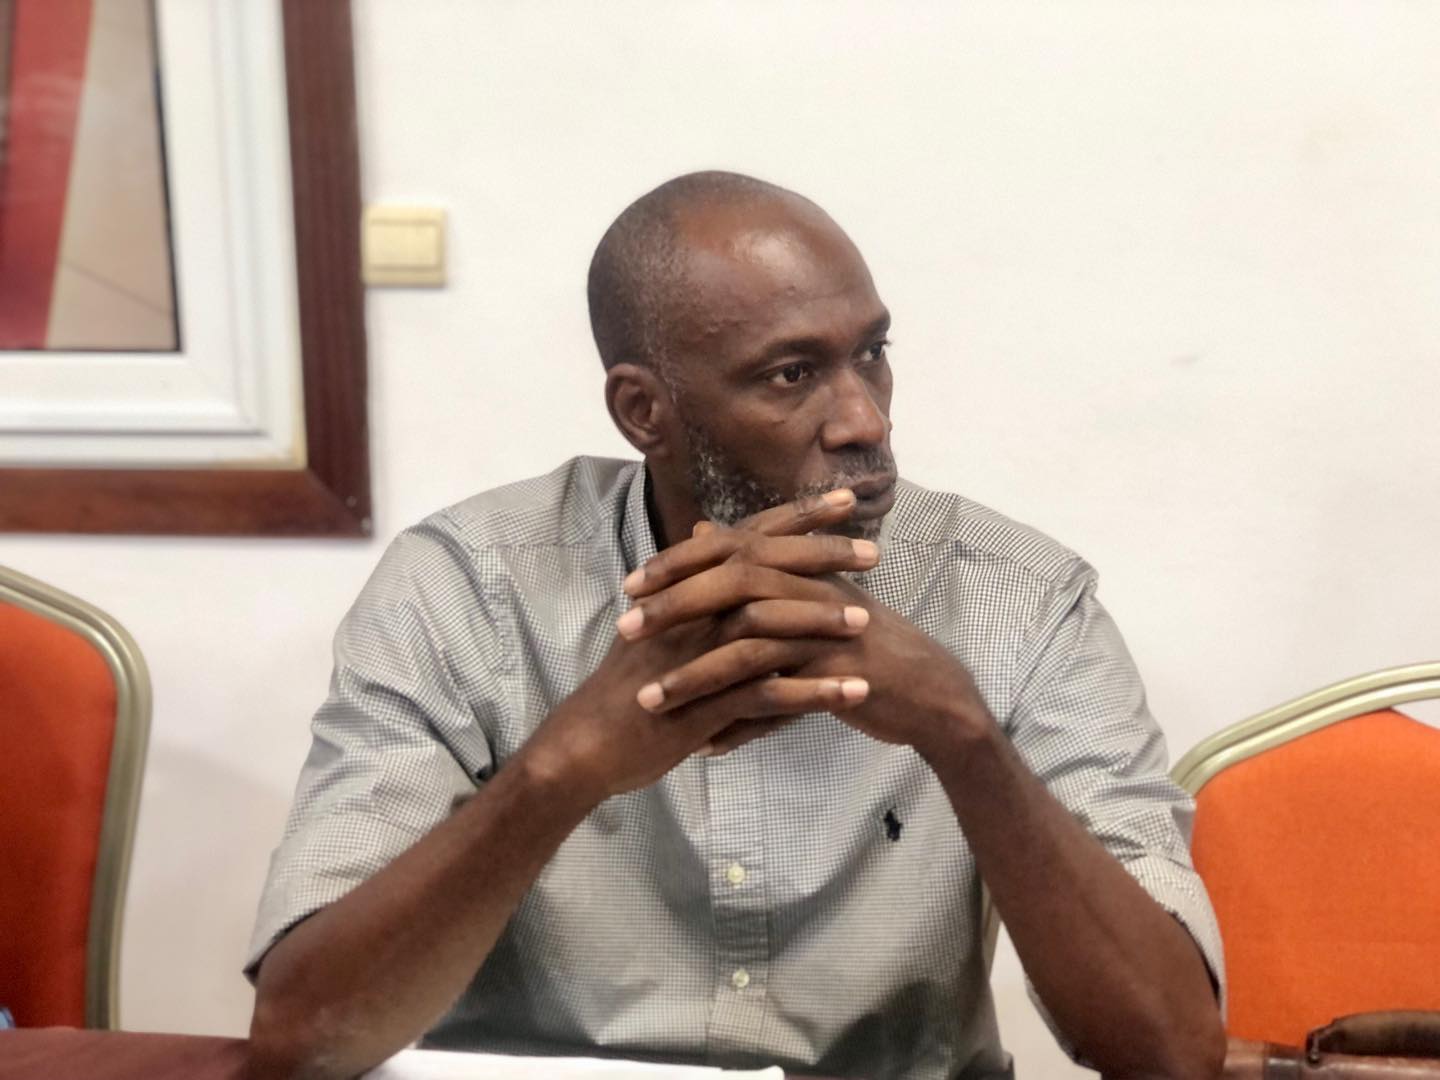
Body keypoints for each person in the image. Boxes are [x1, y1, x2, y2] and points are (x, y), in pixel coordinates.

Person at [245, 172, 1226, 1080]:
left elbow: (1174, 1052)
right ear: (645, 412)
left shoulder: (1022, 600)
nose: (864, 421)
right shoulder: (469, 588)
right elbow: (303, 1035)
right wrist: (566, 765)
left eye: (872, 354)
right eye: (792, 375)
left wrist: (961, 732)